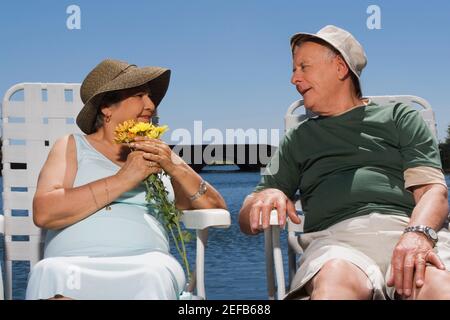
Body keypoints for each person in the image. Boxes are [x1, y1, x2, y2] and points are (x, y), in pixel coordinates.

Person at [239, 25, 450, 300]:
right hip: (336, 243)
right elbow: (245, 220)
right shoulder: (298, 138)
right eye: (293, 70)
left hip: (407, 229)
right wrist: (266, 195)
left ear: (340, 68)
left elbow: (433, 191)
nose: (294, 79)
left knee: (438, 285)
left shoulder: (399, 117)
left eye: (303, 67)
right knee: (335, 279)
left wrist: (418, 235)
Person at [26, 59, 226, 300]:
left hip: (146, 264)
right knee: (49, 271)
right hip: (70, 264)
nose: (151, 105)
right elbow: (44, 212)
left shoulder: (160, 155)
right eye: (140, 95)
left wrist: (176, 166)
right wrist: (125, 178)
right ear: (106, 107)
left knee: (152, 274)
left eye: (151, 97)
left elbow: (217, 211)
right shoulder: (71, 146)